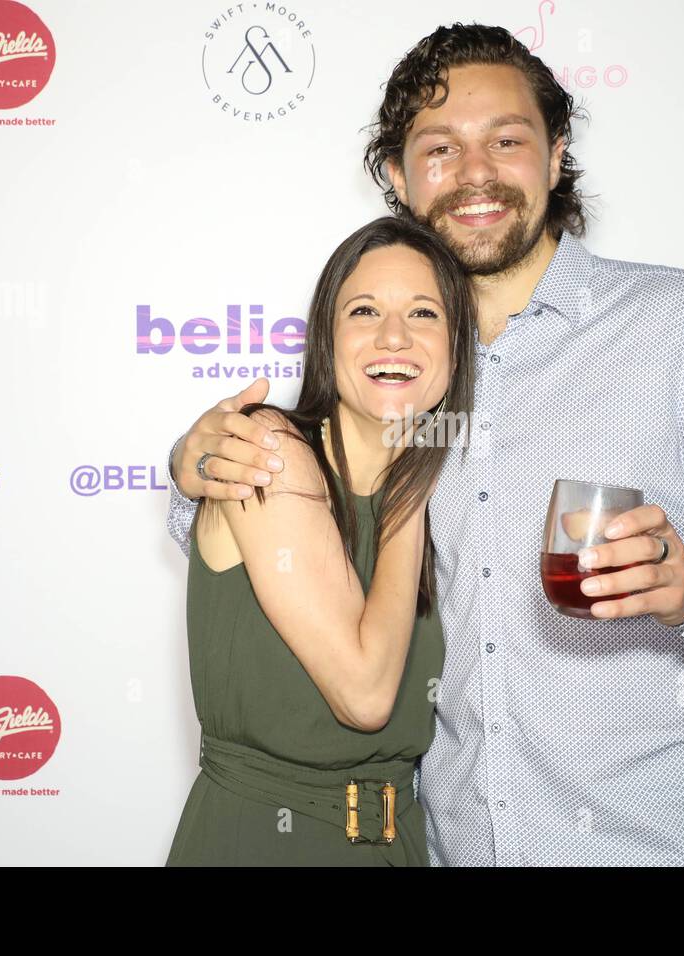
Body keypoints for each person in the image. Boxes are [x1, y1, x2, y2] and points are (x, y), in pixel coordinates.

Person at [164, 24, 684, 866]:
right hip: (454, 848)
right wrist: (196, 471)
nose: (475, 173)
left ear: (556, 154)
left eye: (507, 140)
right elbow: (288, 536)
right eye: (440, 148)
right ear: (398, 176)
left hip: (657, 847)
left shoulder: (678, 325)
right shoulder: (401, 371)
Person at [166, 215, 477, 865]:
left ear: (456, 346)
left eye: (423, 313)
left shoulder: (455, 483)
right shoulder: (269, 449)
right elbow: (364, 695)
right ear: (326, 340)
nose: (394, 335)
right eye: (364, 310)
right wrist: (410, 485)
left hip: (401, 843)